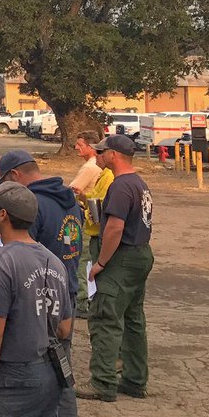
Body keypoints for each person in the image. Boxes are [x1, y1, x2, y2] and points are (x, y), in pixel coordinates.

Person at [0, 181, 74, 417]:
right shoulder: (54, 261)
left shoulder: (0, 261)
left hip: (11, 375)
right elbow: (64, 327)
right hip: (46, 372)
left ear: (3, 214)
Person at [0, 150, 82, 417]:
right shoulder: (68, 199)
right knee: (61, 375)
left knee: (33, 376)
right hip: (65, 291)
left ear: (16, 176)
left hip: (38, 297)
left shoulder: (34, 205)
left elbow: (26, 252)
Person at [77, 134, 154, 403]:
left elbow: (115, 227)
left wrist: (101, 263)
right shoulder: (138, 182)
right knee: (133, 320)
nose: (99, 155)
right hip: (139, 254)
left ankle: (103, 382)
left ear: (114, 155)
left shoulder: (121, 186)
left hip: (120, 258)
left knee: (105, 319)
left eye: (103, 151)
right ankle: (134, 379)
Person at [75, 135, 115, 318]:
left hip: (96, 229)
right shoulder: (103, 174)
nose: (96, 156)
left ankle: (83, 302)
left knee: (84, 264)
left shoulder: (108, 176)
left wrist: (84, 200)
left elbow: (101, 207)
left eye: (99, 153)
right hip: (94, 228)